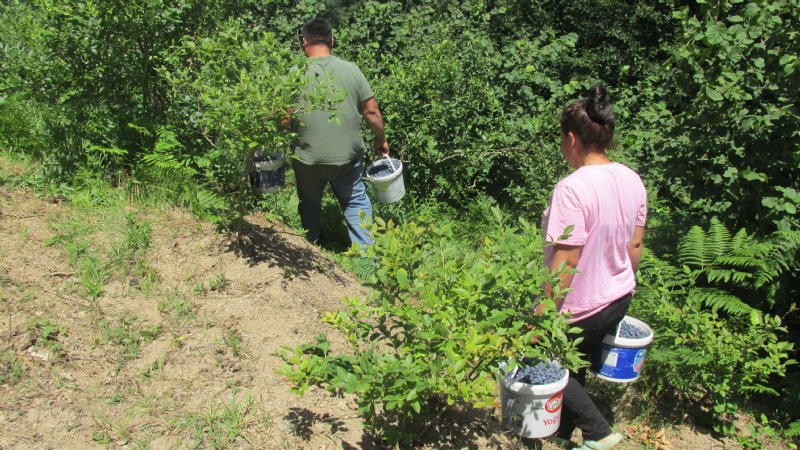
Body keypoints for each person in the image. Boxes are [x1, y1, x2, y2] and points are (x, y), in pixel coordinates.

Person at [539, 85, 647, 450]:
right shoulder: (632, 179)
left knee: (546, 359)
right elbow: (635, 245)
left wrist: (543, 313)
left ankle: (600, 433)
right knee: (575, 363)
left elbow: (566, 260)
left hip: (581, 306)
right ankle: (562, 434)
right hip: (619, 296)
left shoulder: (572, 189)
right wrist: (626, 282)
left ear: (571, 138)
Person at [291, 17, 389, 247]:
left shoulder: (294, 73)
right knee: (355, 202)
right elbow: (372, 112)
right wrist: (381, 141)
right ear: (332, 41)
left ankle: (310, 248)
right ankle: (367, 262)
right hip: (347, 160)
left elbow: (284, 118)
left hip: (307, 159)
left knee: (310, 203)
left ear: (304, 42)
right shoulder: (351, 70)